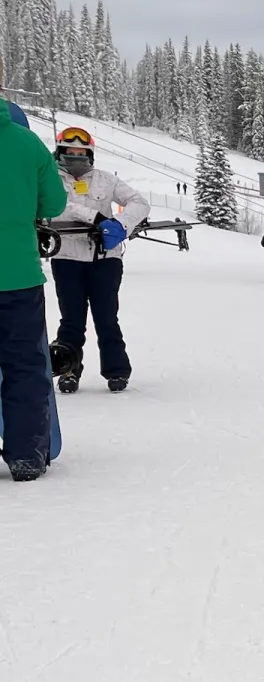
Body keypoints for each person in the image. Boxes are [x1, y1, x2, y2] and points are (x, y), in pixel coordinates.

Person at [48, 126, 150, 395]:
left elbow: (139, 203)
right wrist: (94, 218)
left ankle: (117, 371)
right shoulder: (50, 180)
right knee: (72, 319)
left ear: (90, 155)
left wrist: (119, 225)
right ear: (60, 153)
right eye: (69, 153)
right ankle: (69, 369)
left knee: (107, 317)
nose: (75, 158)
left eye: (81, 153)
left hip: (104, 259)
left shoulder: (106, 180)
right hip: (67, 257)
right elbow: (55, 206)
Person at [0, 89, 68, 480]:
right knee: (25, 365)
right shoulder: (26, 142)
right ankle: (25, 454)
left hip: (19, 276)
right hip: (18, 277)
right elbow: (54, 205)